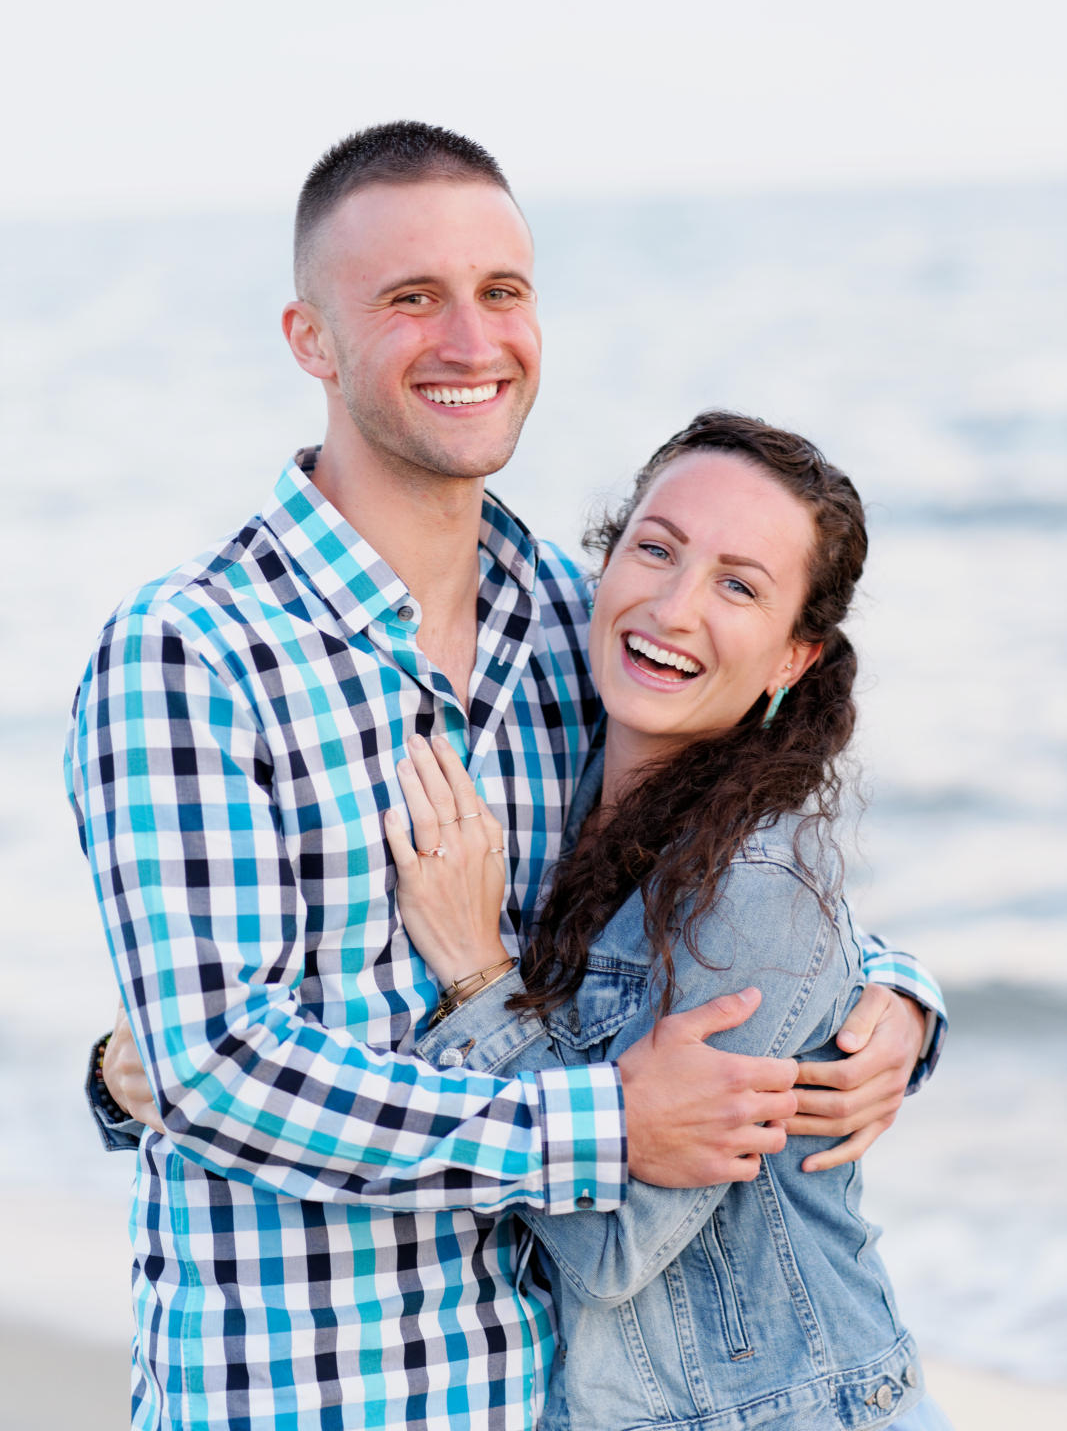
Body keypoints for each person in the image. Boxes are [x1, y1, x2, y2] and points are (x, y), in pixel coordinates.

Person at [69, 122, 944, 1431]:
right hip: (308, 1394)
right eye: (409, 299)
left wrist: (892, 996)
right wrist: (599, 1134)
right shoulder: (193, 652)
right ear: (311, 339)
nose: (471, 343)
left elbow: (691, 893)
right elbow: (222, 1071)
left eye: (501, 292)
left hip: (546, 1392)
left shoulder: (566, 620)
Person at [385, 412, 953, 1428]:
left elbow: (611, 1251)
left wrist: (477, 975)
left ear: (791, 656)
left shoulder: (756, 878)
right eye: (654, 549)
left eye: (738, 584)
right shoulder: (571, 796)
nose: (673, 606)